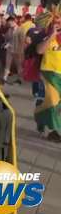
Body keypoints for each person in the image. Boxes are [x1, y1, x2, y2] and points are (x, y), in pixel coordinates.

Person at [35, 10, 61, 143]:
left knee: (57, 104)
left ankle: (46, 125)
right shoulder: (46, 35)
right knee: (52, 102)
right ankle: (54, 131)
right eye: (57, 21)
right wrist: (51, 36)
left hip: (60, 74)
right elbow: (39, 50)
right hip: (49, 74)